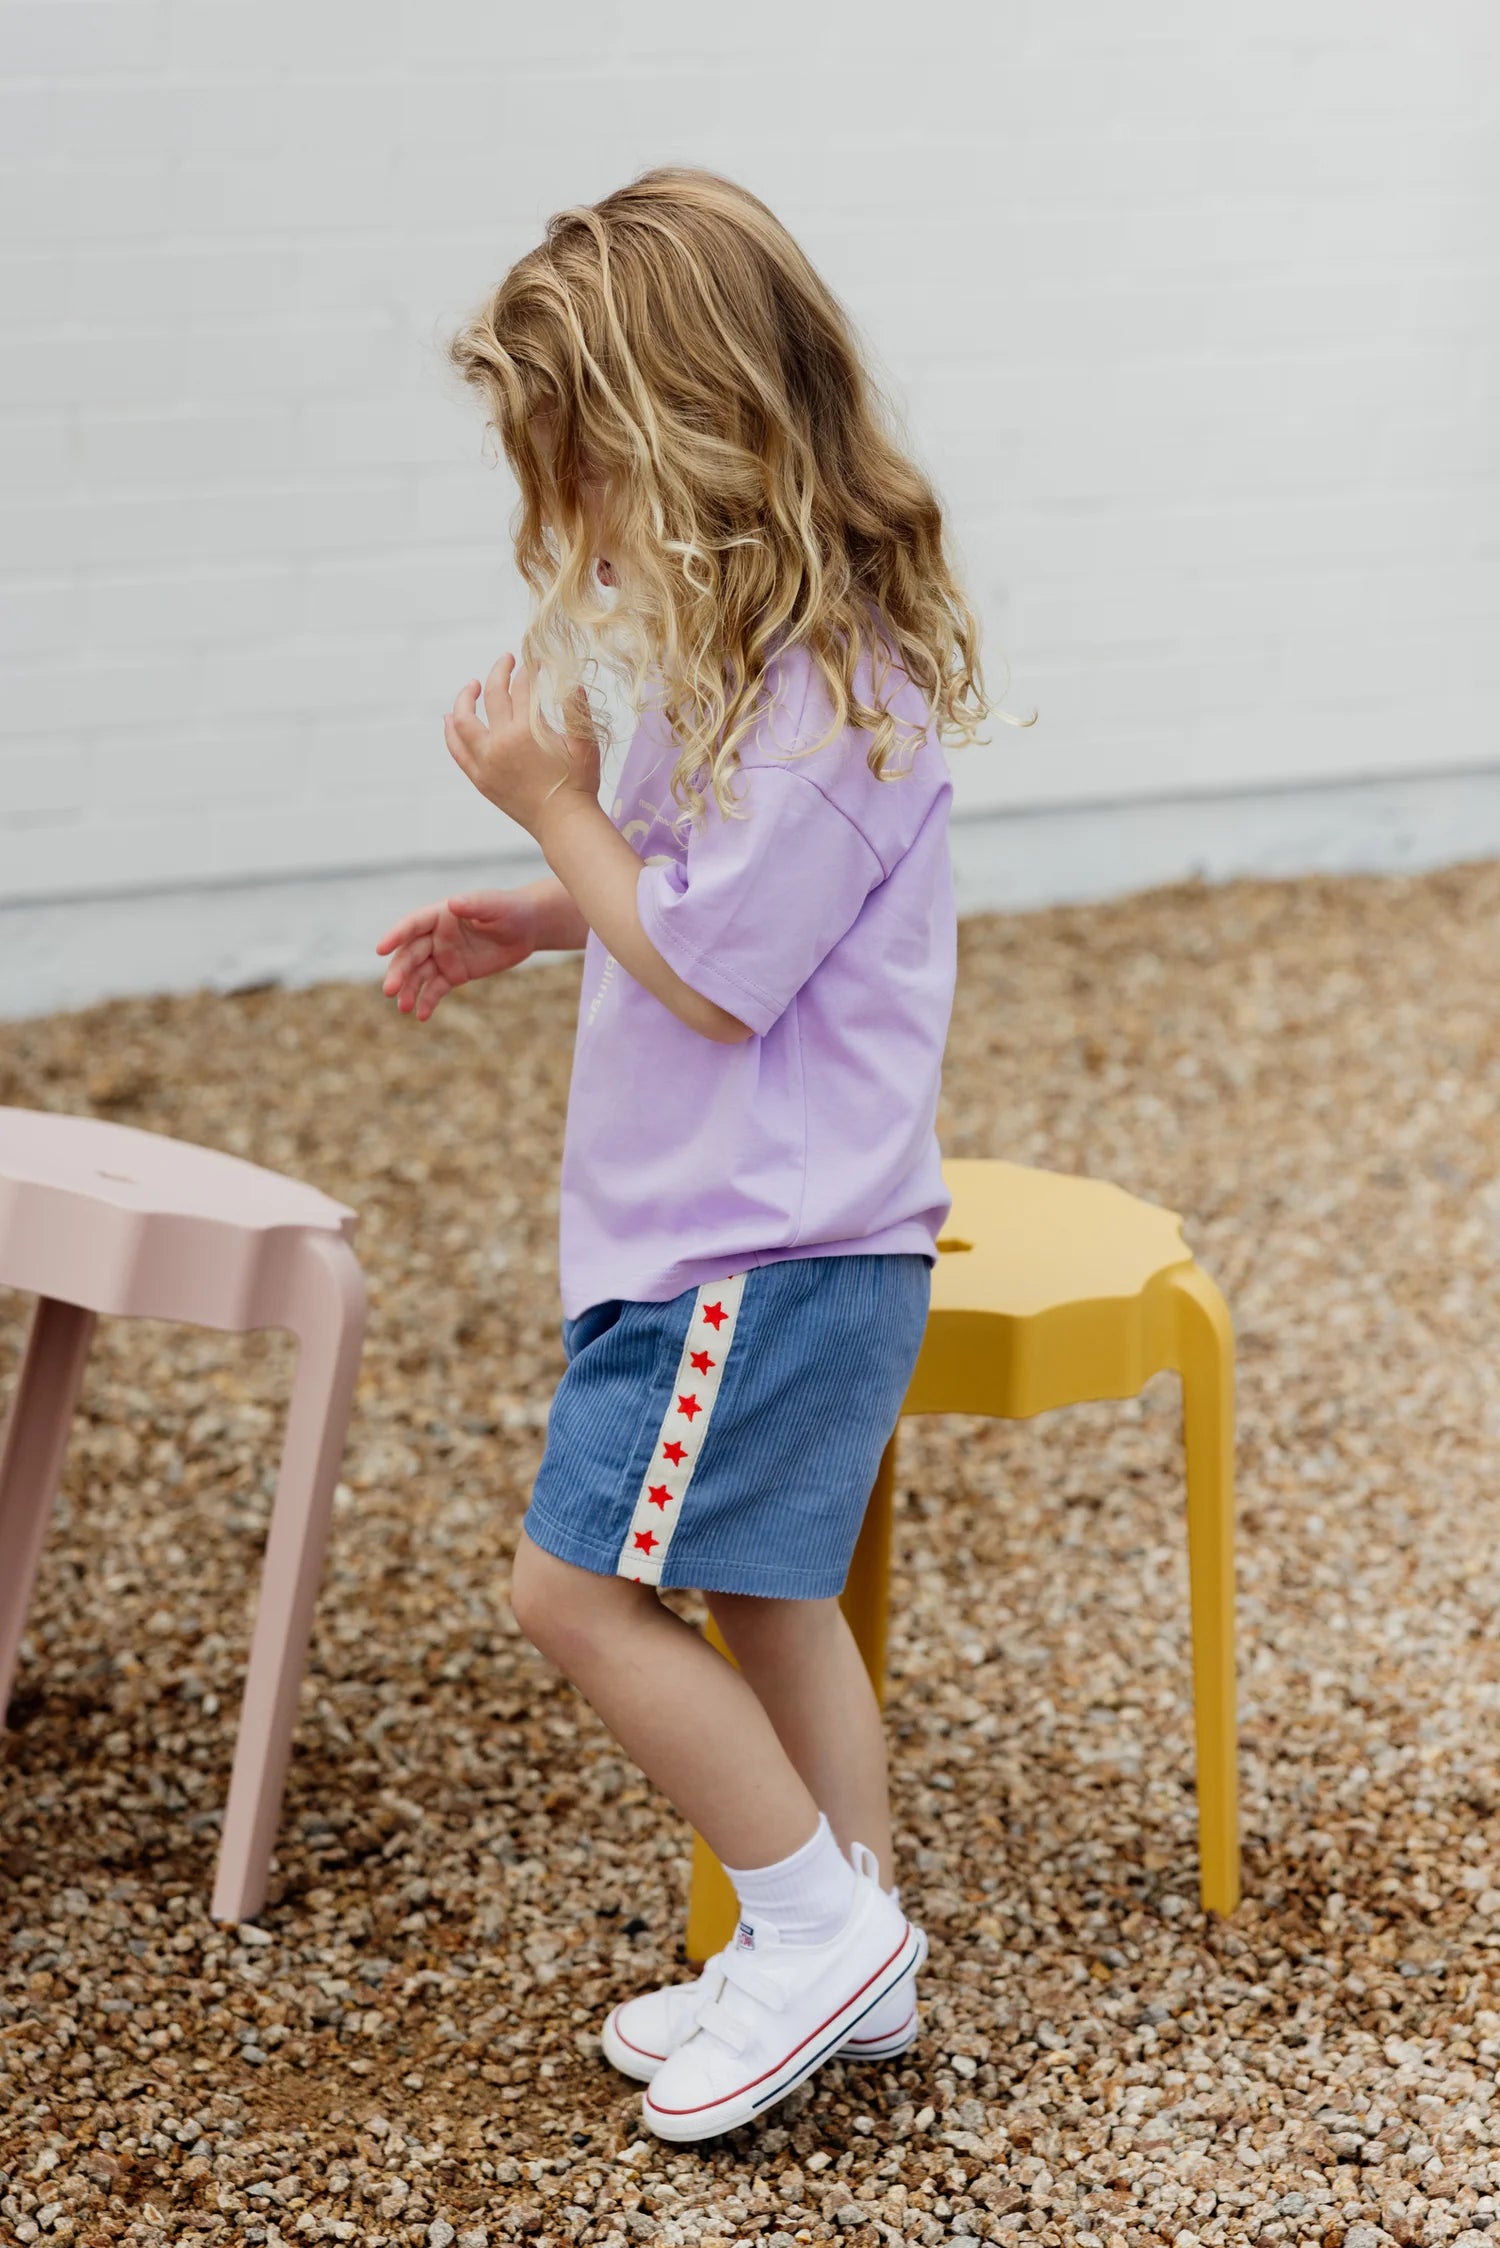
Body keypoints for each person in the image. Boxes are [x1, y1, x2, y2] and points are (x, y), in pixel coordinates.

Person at [375, 166, 1015, 2142]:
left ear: (682, 435)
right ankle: (857, 1947)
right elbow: (703, 905)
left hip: (753, 1248)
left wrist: (551, 803)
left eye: (580, 466)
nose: (569, 515)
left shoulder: (825, 688)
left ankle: (816, 1924)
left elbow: (725, 980)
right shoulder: (783, 662)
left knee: (570, 1596)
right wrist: (545, 899)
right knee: (767, 1592)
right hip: (777, 1239)